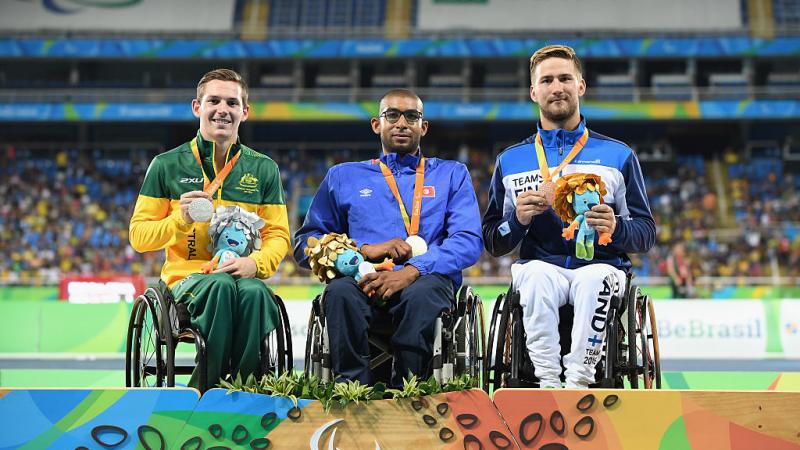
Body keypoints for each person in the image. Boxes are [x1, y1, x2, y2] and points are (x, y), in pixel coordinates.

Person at [482, 45, 655, 389]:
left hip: (601, 266)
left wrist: (617, 227)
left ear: (581, 86)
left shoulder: (619, 155)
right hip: (543, 266)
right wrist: (517, 220)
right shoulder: (510, 160)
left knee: (594, 280)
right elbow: (492, 240)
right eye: (546, 80)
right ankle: (547, 382)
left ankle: (578, 380)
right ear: (534, 92)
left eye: (565, 78)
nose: (556, 86)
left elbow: (646, 232)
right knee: (533, 277)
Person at [294, 89, 483, 387]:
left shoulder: (451, 174)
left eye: (412, 116)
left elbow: (468, 240)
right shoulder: (343, 177)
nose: (402, 123)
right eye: (392, 115)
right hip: (362, 280)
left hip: (425, 282)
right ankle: (352, 390)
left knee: (422, 295)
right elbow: (306, 244)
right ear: (376, 124)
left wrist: (412, 272)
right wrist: (363, 251)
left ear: (424, 126)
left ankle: (408, 391)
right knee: (339, 293)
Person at [129, 68, 290, 389]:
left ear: (244, 112)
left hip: (239, 275)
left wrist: (255, 263)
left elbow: (277, 235)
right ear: (197, 107)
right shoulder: (167, 165)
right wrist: (180, 219)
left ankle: (243, 387)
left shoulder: (263, 169)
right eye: (213, 100)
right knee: (219, 287)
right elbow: (139, 237)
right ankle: (207, 388)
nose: (222, 110)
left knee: (258, 293)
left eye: (232, 103)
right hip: (187, 280)